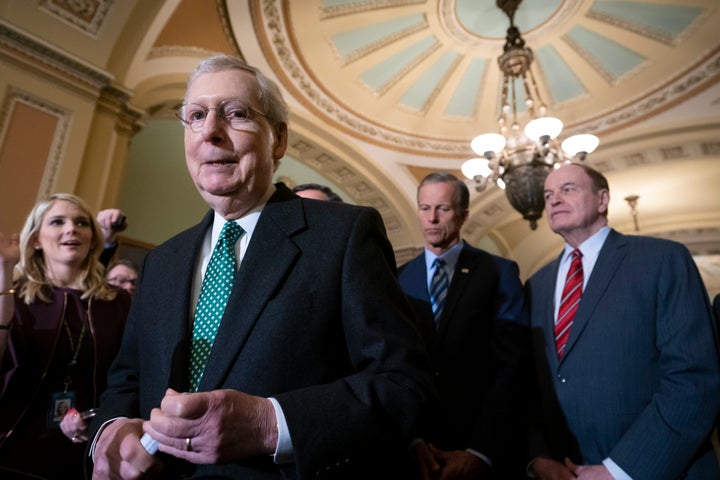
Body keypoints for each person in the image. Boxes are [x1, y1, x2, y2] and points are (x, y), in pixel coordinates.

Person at [89, 54, 436, 480]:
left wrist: (269, 424)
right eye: (196, 115)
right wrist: (114, 430)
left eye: (235, 114)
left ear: (279, 139)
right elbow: (126, 380)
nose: (211, 132)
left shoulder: (343, 235)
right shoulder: (162, 261)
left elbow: (404, 383)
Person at [526, 163, 720, 479]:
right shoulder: (535, 284)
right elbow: (530, 385)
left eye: (568, 189)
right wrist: (537, 457)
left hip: (656, 469)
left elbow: (694, 378)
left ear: (603, 200)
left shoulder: (663, 259)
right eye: (548, 195)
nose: (554, 200)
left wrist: (620, 470)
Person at [397, 172, 531, 479]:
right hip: (415, 450)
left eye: (442, 209)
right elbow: (395, 364)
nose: (431, 218)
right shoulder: (398, 277)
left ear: (463, 214)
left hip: (479, 447)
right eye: (424, 208)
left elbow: (512, 366)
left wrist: (481, 451)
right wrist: (411, 439)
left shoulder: (498, 272)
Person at [0, 193, 131, 479]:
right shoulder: (13, 294)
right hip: (13, 445)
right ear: (35, 239)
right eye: (58, 222)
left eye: (81, 223)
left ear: (93, 239)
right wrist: (3, 272)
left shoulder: (117, 302)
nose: (72, 229)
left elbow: (128, 376)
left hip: (85, 453)